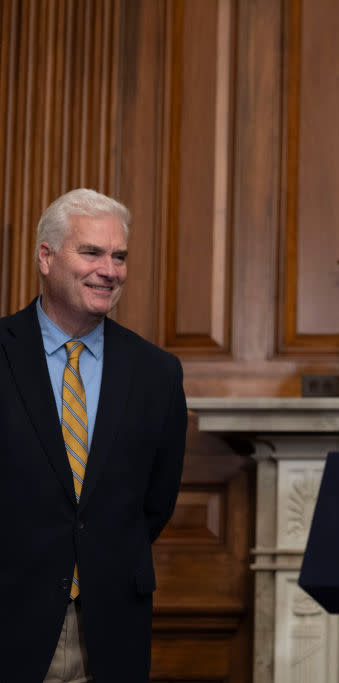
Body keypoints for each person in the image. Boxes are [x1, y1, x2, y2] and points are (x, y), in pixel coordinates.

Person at [0, 189, 187, 682]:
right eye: (92, 252)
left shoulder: (157, 373)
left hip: (110, 631)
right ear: (46, 256)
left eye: (119, 256)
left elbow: (155, 502)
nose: (110, 269)